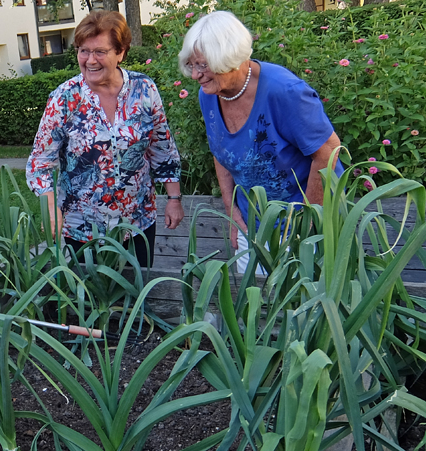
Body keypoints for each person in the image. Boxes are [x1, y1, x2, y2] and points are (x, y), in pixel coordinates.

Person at [179, 11, 342, 273]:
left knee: (299, 307)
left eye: (203, 65)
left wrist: (306, 222)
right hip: (252, 221)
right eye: (191, 65)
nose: (196, 75)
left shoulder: (284, 91)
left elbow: (329, 151)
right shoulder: (209, 94)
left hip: (303, 220)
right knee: (256, 305)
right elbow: (220, 152)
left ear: (228, 57)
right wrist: (233, 214)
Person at [26, 10, 183, 268]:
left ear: (120, 52)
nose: (90, 60)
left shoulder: (144, 90)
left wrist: (174, 199)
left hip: (138, 223)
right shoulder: (64, 98)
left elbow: (162, 148)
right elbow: (39, 163)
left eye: (100, 51)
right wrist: (51, 206)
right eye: (83, 51)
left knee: (137, 297)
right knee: (92, 304)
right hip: (83, 229)